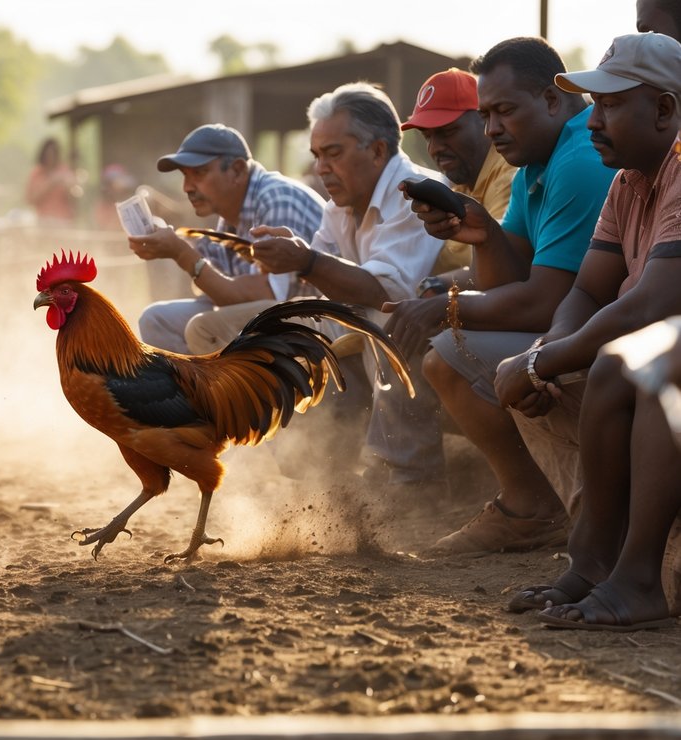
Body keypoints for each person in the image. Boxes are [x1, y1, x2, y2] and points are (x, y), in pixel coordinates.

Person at [385, 38, 617, 555]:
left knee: (448, 353)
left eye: (504, 111)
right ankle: (534, 503)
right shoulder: (539, 157)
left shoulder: (579, 159)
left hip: (617, 344)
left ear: (553, 100)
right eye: (486, 114)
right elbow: (504, 280)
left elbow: (544, 303)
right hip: (583, 331)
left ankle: (530, 508)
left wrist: (442, 308)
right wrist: (483, 233)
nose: (491, 129)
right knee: (448, 345)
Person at [487, 33, 681, 626]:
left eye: (612, 105)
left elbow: (652, 301)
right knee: (608, 364)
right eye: (594, 106)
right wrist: (547, 353)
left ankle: (639, 577)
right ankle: (594, 562)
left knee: (633, 364)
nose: (594, 121)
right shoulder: (628, 181)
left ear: (666, 109)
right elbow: (588, 290)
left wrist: (540, 363)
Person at [247, 83, 445, 489]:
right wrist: (303, 260)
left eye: (333, 153)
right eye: (317, 155)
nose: (321, 167)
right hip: (383, 326)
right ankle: (318, 473)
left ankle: (408, 479)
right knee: (281, 333)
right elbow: (321, 279)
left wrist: (305, 261)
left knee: (385, 322)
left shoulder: (418, 193)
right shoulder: (340, 205)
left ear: (377, 150)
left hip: (444, 327)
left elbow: (386, 291)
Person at [129, 124, 325, 354]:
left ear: (238, 170)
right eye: (185, 175)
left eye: (199, 173)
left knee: (203, 328)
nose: (187, 187)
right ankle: (193, 389)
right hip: (275, 323)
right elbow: (221, 292)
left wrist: (181, 253)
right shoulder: (229, 216)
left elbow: (268, 298)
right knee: (155, 320)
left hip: (316, 326)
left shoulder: (277, 199)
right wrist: (170, 244)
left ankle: (218, 389)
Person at [399, 68, 517, 283]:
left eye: (447, 132)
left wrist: (434, 286)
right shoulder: (460, 182)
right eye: (427, 137)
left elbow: (506, 270)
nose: (434, 148)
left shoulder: (510, 174)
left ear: (484, 120)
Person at [25, 137, 78, 224]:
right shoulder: (36, 173)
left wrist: (69, 187)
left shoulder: (65, 171)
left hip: (63, 220)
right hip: (43, 220)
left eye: (53, 153)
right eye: (48, 154)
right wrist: (50, 183)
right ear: (43, 154)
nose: (50, 157)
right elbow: (30, 199)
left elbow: (75, 196)